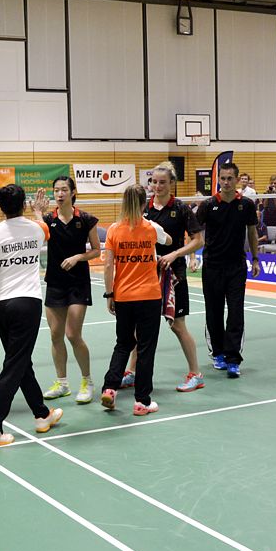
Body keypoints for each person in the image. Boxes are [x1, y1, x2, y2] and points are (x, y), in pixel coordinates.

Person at [0, 184, 63, 448]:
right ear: (24, 204)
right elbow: (45, 229)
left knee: (20, 361)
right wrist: (38, 211)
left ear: (0, 207)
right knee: (15, 364)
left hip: (0, 304)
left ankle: (42, 415)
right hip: (27, 303)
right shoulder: (37, 228)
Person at [120, 164, 205, 392]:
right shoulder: (144, 207)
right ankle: (132, 372)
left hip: (174, 274)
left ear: (171, 183)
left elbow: (198, 240)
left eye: (162, 182)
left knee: (177, 326)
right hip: (145, 276)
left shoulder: (181, 208)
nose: (157, 186)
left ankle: (196, 374)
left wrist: (175, 254)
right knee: (139, 329)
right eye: (154, 182)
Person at [99, 184, 172, 415]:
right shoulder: (151, 228)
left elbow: (108, 265)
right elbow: (169, 241)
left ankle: (110, 388)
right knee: (146, 348)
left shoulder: (113, 229)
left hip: (123, 296)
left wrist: (109, 294)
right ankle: (142, 401)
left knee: (123, 344)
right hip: (149, 296)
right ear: (144, 204)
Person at [31, 177, 100, 404]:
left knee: (73, 334)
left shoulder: (86, 219)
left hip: (78, 283)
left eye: (63, 190)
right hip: (55, 282)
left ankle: (87, 381)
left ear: (73, 192)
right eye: (56, 190)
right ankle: (62, 383)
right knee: (55, 335)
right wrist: (38, 214)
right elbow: (37, 237)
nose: (59, 194)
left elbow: (96, 251)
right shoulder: (48, 219)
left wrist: (78, 257)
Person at [196, 162, 260, 378]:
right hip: (212, 266)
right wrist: (192, 257)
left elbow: (252, 233)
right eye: (222, 178)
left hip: (236, 267)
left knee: (235, 313)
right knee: (213, 312)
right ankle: (218, 354)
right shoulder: (208, 205)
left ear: (237, 179)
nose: (225, 182)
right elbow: (195, 232)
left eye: (229, 178)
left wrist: (256, 258)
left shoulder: (247, 205)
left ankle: (233, 359)